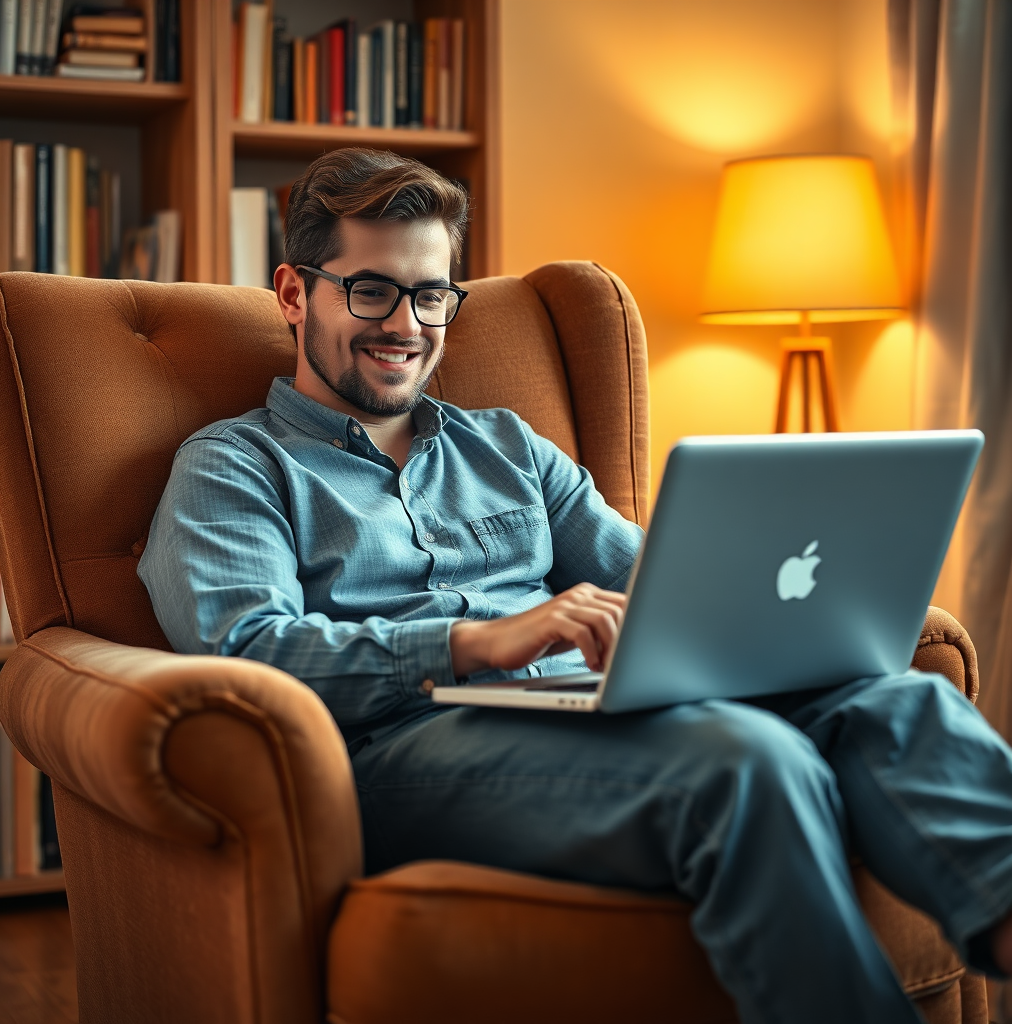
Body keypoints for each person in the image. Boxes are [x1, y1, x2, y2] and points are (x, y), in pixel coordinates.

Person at [138, 147, 1012, 1024]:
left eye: (432, 293)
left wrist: (796, 602)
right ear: (294, 294)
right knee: (747, 764)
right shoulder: (234, 466)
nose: (406, 324)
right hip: (405, 749)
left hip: (592, 713)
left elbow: (660, 581)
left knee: (903, 702)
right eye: (372, 290)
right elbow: (244, 649)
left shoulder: (509, 447)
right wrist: (475, 642)